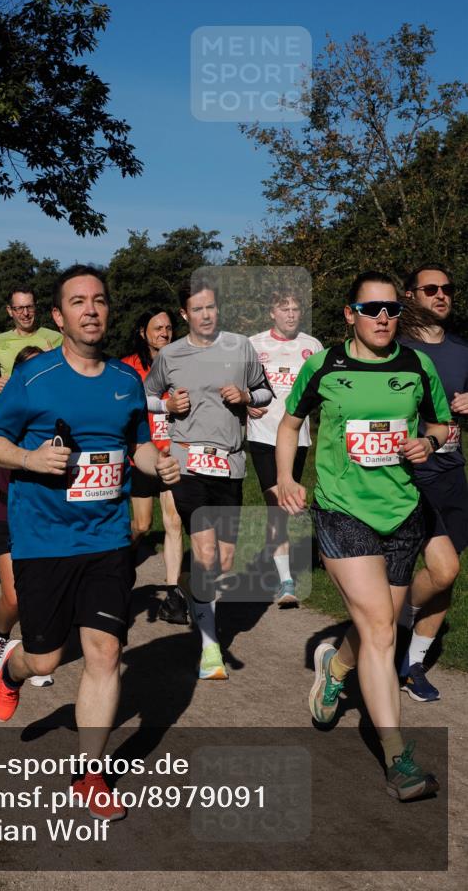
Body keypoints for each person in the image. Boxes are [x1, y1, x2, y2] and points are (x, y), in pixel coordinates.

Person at [0, 265, 180, 821]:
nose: (91, 310)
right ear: (58, 316)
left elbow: (135, 444)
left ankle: (90, 773)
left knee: (105, 653)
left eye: (99, 300)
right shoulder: (34, 378)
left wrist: (154, 463)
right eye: (78, 302)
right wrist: (29, 458)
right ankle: (11, 670)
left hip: (108, 537)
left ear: (109, 310)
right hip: (43, 539)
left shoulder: (124, 378)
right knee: (44, 655)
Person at [277, 270, 451, 801]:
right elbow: (288, 424)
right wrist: (286, 478)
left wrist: (428, 442)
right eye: (371, 309)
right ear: (350, 314)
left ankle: (335, 667)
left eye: (392, 309)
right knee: (380, 626)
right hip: (341, 509)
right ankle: (398, 756)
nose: (383, 318)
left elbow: (441, 426)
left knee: (381, 627)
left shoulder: (418, 365)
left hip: (402, 513)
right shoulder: (324, 364)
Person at [144, 272, 272, 680]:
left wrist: (247, 396)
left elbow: (267, 391)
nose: (205, 315)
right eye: (196, 309)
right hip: (188, 464)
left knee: (225, 561)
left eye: (210, 307)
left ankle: (187, 595)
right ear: (185, 314)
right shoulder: (171, 355)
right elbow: (145, 395)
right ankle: (211, 648)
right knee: (205, 554)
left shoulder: (241, 348)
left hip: (230, 464)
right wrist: (167, 404)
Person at [397, 264, 468, 701]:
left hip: (452, 473)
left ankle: (412, 663)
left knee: (445, 577)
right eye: (430, 289)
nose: (441, 295)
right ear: (410, 295)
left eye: (447, 289)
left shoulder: (462, 351)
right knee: (440, 569)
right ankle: (390, 623)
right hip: (408, 477)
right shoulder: (396, 351)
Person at [0, 345, 53, 687]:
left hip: (46, 513)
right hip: (7, 509)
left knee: (43, 589)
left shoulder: (56, 412)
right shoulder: (5, 411)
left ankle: (34, 652)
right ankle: (1, 635)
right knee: (15, 596)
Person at [247, 288, 323, 604]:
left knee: (285, 505)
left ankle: (282, 567)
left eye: (295, 309)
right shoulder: (253, 345)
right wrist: (245, 403)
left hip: (297, 438)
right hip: (263, 435)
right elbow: (237, 386)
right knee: (279, 502)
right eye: (284, 309)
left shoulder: (313, 346)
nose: (291, 314)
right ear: (272, 313)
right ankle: (287, 580)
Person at [121, 308, 187, 624]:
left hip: (173, 456)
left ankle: (173, 597)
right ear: (143, 333)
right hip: (141, 456)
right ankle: (118, 563)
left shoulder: (185, 363)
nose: (164, 332)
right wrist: (165, 405)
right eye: (157, 328)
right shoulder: (129, 368)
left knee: (173, 522)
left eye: (168, 327)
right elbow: (126, 402)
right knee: (142, 525)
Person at [0, 285, 62, 394]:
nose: (26, 313)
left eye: (30, 307)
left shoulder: (56, 338)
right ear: (10, 311)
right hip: (13, 408)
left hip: (48, 406)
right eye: (19, 308)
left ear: (36, 307)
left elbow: (71, 375)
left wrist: (53, 362)